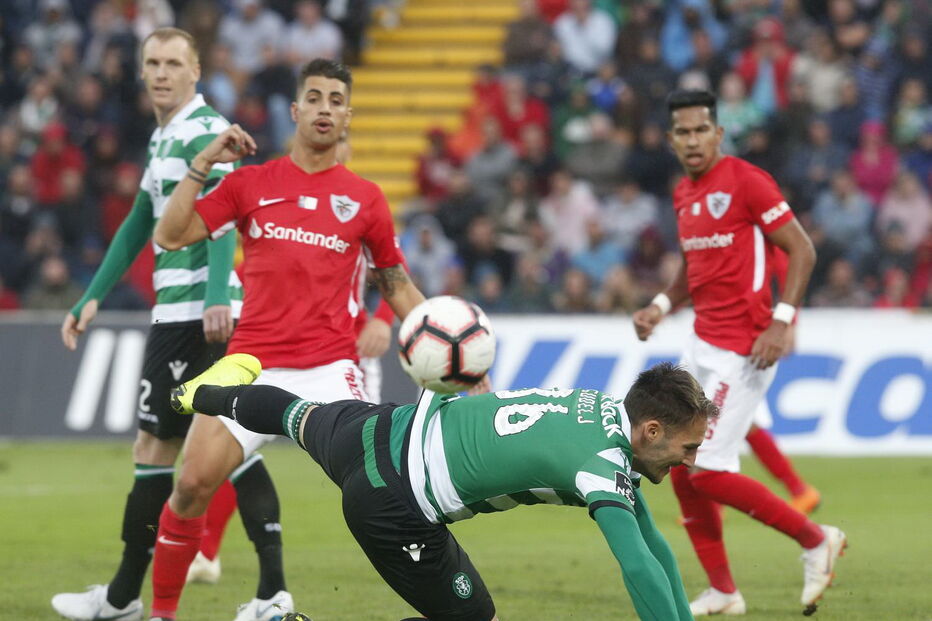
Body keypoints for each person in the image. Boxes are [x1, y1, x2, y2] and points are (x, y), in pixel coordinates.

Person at [150, 58, 428, 621]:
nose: (325, 109)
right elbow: (170, 233)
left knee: (386, 495)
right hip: (251, 363)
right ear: (296, 110)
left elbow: (396, 286)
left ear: (348, 116)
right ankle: (161, 614)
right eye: (316, 98)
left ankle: (449, 604)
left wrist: (447, 342)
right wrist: (203, 163)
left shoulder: (365, 199)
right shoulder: (250, 183)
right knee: (191, 485)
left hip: (330, 369)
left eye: (336, 100)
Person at [173, 355, 715, 621]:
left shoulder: (600, 409)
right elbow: (640, 565)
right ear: (651, 430)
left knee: (294, 412)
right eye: (688, 448)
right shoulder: (601, 465)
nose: (690, 462)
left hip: (376, 426)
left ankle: (207, 394)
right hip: (393, 503)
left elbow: (652, 545)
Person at [51, 27, 282, 621]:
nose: (160, 73)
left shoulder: (205, 131)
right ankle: (261, 590)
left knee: (172, 446)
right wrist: (92, 297)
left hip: (196, 316)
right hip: (177, 311)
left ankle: (126, 597)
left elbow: (223, 217)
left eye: (173, 63)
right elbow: (137, 223)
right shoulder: (165, 138)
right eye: (152, 62)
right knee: (226, 446)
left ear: (196, 71)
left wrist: (212, 295)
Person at [632, 90, 846, 616]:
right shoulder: (684, 194)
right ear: (671, 140)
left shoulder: (747, 181)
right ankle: (724, 591)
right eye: (682, 132)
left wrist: (783, 319)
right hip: (700, 341)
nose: (692, 140)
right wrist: (660, 304)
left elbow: (802, 249)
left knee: (703, 468)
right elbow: (693, 268)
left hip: (743, 349)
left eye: (701, 129)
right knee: (680, 466)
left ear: (718, 133)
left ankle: (815, 538)